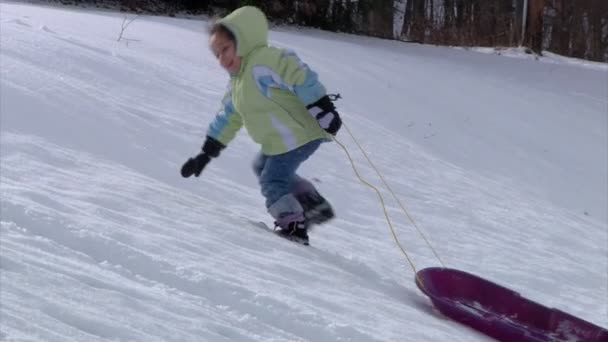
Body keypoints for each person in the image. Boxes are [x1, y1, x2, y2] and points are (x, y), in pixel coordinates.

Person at [180, 6, 342, 244]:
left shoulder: (263, 61)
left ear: (242, 40)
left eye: (225, 49)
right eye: (217, 55)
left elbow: (298, 73)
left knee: (272, 179)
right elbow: (228, 117)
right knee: (261, 165)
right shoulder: (238, 84)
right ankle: (309, 201)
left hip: (299, 134)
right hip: (282, 140)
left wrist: (321, 106)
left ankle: (293, 225)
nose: (222, 59)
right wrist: (206, 152)